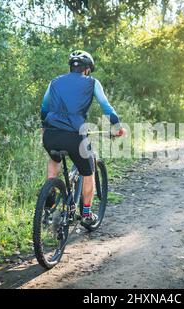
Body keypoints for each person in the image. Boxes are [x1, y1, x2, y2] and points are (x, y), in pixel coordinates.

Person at [40, 50, 125, 227]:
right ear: (87, 69)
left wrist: (44, 126)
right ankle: (86, 213)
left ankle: (47, 205)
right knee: (88, 171)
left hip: (50, 134)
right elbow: (106, 107)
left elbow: (44, 107)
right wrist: (117, 128)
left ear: (71, 67)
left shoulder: (54, 82)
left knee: (54, 162)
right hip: (74, 135)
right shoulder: (92, 83)